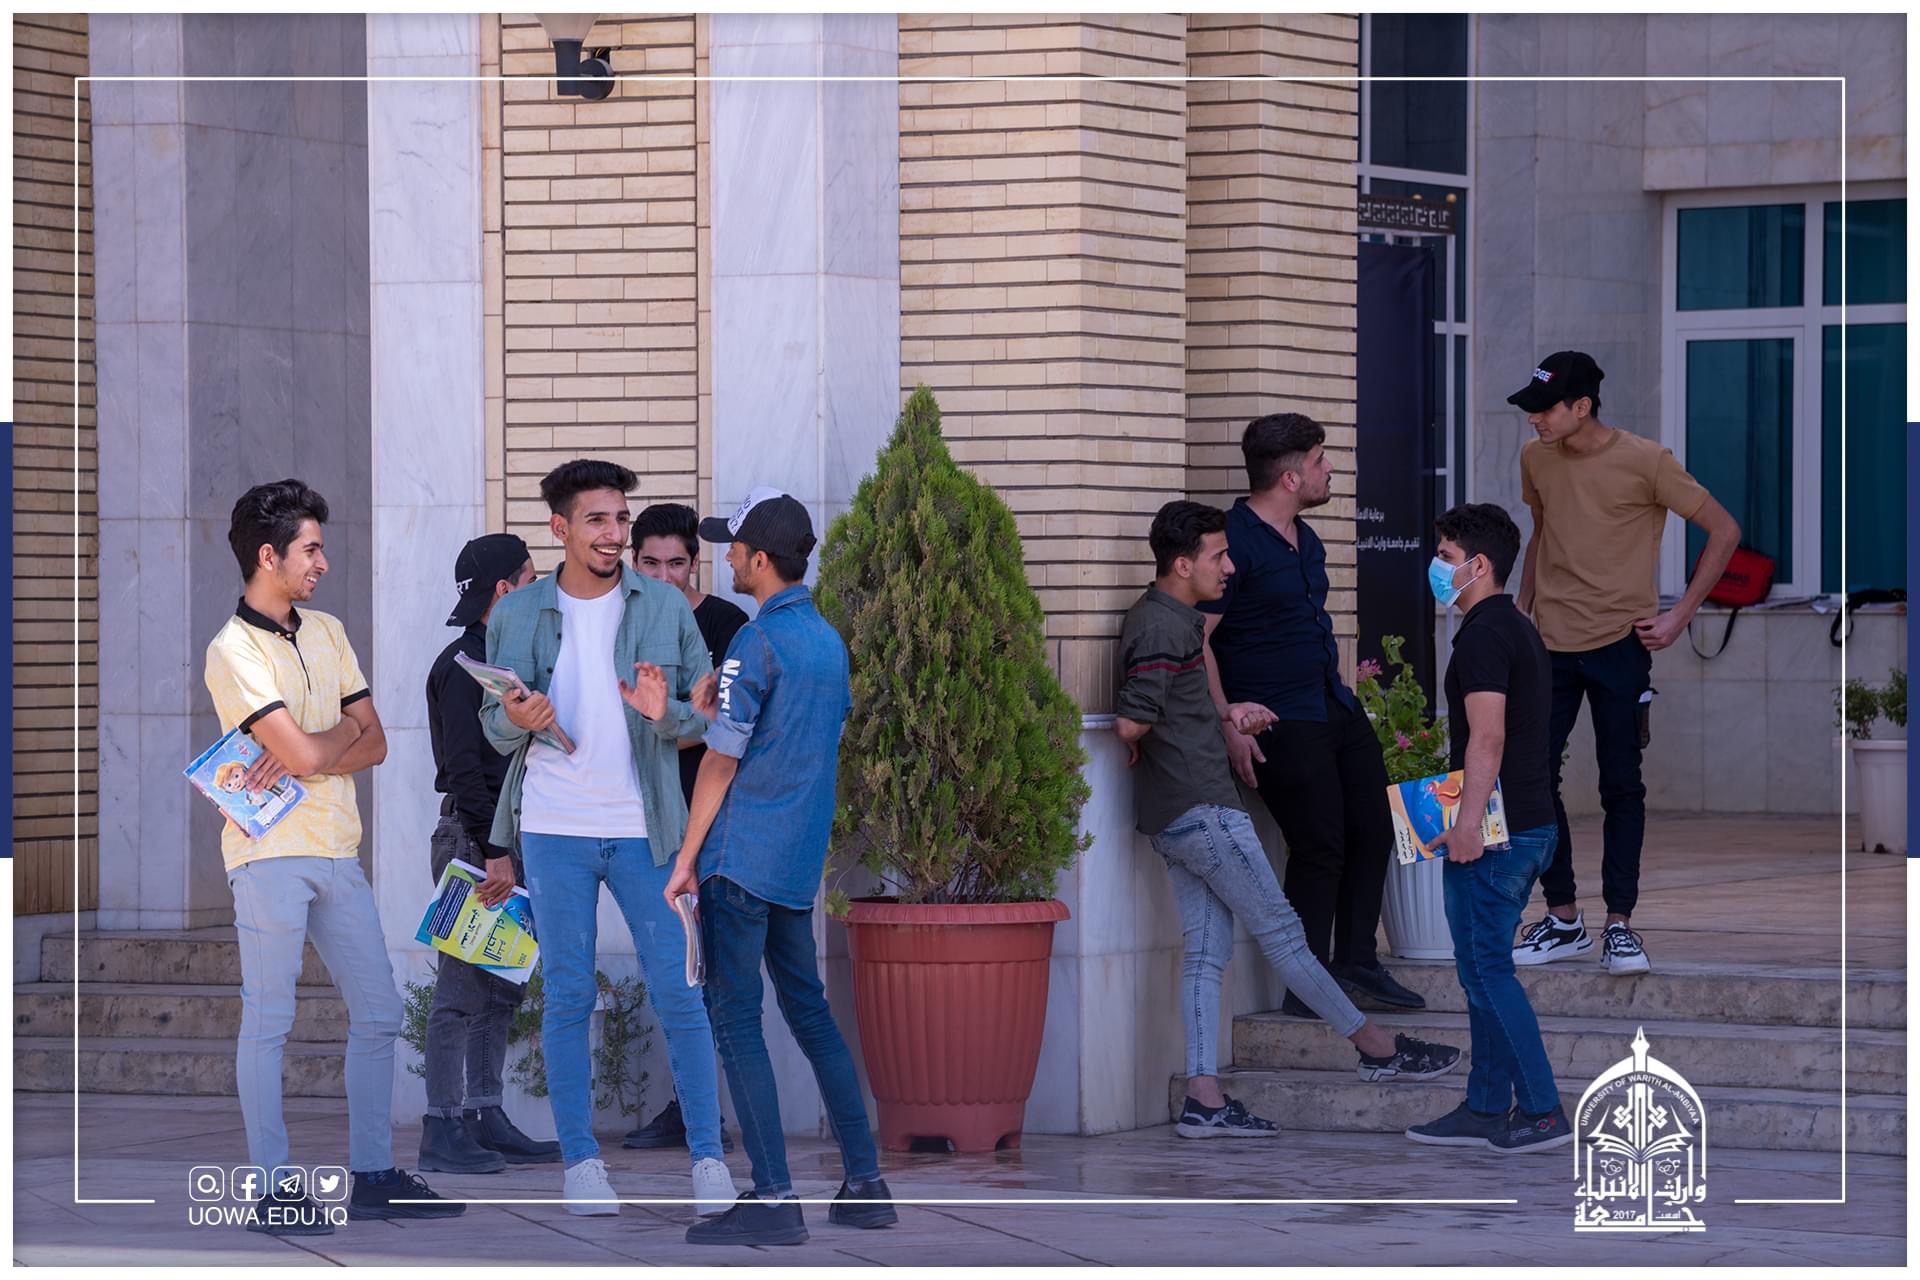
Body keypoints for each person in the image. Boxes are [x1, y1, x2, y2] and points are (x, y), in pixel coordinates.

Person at [1119, 501, 1463, 1137]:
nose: (1229, 567)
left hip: (1176, 812)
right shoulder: (1164, 627)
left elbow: (1169, 707)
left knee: (1206, 954)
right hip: (1204, 809)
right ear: (1182, 565)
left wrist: (1226, 714)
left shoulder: (1167, 618)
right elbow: (1133, 717)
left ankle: (1203, 1098)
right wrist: (1138, 735)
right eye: (1218, 557)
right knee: (1284, 935)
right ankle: (1377, 1048)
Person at [203, 479, 464, 1234]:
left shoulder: (329, 630)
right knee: (270, 1020)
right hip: (267, 854)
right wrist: (328, 742)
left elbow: (371, 743)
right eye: (311, 549)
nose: (323, 562)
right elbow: (320, 748)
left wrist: (320, 747)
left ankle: (373, 1176)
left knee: (380, 1011)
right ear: (268, 555)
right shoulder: (231, 650)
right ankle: (271, 1188)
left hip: (337, 848)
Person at [478, 459, 734, 1218]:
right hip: (552, 826)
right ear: (559, 528)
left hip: (644, 828)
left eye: (620, 519)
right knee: (566, 994)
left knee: (680, 991)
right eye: (598, 519)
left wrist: (665, 714)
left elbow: (706, 719)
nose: (614, 533)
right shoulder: (518, 612)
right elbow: (494, 728)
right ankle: (582, 1164)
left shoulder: (664, 606)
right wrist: (515, 718)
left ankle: (709, 1159)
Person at [664, 487, 897, 1247]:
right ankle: (866, 1184)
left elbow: (722, 764)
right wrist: (713, 707)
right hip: (796, 865)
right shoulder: (827, 642)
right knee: (810, 1015)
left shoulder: (754, 641)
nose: (727, 559)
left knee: (735, 1021)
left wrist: (686, 859)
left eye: (734, 549)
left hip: (739, 861)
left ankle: (772, 1198)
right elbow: (793, 736)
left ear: (761, 559)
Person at [1509, 352, 1741, 975]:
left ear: (1582, 406)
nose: (1534, 419)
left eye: (1544, 408)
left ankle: (1620, 925)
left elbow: (1724, 530)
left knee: (1621, 785)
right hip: (1549, 646)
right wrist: (1521, 610)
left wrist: (1680, 615)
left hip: (1621, 644)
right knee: (1532, 778)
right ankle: (1563, 918)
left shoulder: (1647, 460)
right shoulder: (1536, 458)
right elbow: (1542, 533)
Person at [1198, 414, 1424, 1014]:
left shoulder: (1308, 538)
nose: (1331, 471)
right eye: (1322, 461)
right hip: (1276, 719)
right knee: (1320, 845)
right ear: (1291, 477)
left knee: (1375, 827)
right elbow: (1198, 638)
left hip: (1332, 703)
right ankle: (1309, 984)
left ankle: (1357, 962)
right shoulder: (1233, 543)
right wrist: (1226, 721)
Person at [1406, 503, 1574, 1152]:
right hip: (1525, 825)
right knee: (1482, 971)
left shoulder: (1482, 636)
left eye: (1445, 557)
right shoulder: (1515, 628)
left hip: (1499, 832)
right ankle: (1484, 1106)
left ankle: (1541, 1109)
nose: (1436, 567)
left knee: (1486, 971)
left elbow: (1488, 736)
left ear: (1479, 565)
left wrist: (1468, 824)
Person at [418, 533, 561, 1174]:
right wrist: (493, 848)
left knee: (501, 987)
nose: (539, 590)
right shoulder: (462, 665)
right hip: (476, 842)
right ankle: (442, 1126)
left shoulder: (507, 660)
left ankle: (485, 1114)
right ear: (504, 590)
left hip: (510, 842)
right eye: (530, 580)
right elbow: (463, 770)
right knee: (460, 989)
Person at [623, 503, 746, 1155]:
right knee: (675, 967)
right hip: (647, 816)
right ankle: (690, 1107)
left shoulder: (726, 625)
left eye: (677, 563)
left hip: (712, 820)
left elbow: (723, 725)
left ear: (695, 563)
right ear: (633, 561)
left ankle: (706, 1112)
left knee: (711, 968)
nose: (665, 576)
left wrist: (660, 722)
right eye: (651, 563)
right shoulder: (623, 620)